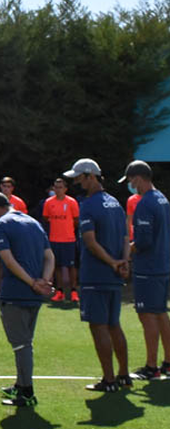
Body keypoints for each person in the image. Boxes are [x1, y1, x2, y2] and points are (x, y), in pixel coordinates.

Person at [64, 159, 130, 392]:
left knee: (99, 327)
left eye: (78, 178)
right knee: (114, 325)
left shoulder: (89, 206)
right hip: (113, 275)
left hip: (95, 275)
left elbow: (90, 243)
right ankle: (123, 375)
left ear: (90, 176)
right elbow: (124, 238)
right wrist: (123, 262)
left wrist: (113, 262)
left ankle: (109, 380)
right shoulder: (115, 203)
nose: (75, 183)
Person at [0, 191, 55, 408]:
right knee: (24, 343)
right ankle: (20, 384)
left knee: (21, 345)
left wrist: (33, 282)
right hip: (34, 295)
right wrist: (44, 281)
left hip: (16, 292)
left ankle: (27, 392)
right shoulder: (33, 222)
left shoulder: (1, 225)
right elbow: (50, 256)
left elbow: (8, 260)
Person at [120, 161, 170, 380]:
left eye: (131, 180)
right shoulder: (162, 199)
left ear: (138, 178)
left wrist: (125, 253)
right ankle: (167, 362)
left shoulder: (145, 203)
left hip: (148, 267)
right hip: (162, 264)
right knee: (160, 313)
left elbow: (144, 241)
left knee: (147, 314)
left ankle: (152, 367)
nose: (131, 185)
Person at [42, 178, 80, 303]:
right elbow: (46, 218)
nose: (58, 190)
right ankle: (60, 292)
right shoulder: (48, 202)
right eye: (56, 187)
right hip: (54, 239)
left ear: (65, 189)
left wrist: (68, 229)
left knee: (71, 266)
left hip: (69, 239)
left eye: (60, 187)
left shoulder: (71, 202)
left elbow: (76, 220)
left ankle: (74, 291)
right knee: (57, 266)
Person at [0, 177, 29, 302]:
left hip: (16, 239)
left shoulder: (19, 202)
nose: (6, 188)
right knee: (0, 265)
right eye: (4, 186)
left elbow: (25, 220)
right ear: (0, 187)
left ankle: (19, 290)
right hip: (1, 237)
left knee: (18, 263)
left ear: (12, 188)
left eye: (9, 186)